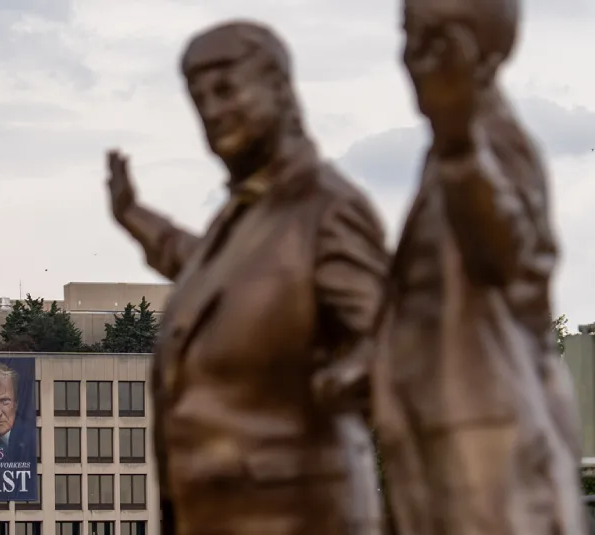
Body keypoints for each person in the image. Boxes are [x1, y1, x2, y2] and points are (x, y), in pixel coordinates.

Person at [107, 20, 388, 535]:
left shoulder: (325, 210)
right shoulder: (244, 218)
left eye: (226, 89)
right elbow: (204, 269)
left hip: (297, 515)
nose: (212, 111)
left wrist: (338, 383)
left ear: (279, 89)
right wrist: (136, 217)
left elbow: (393, 343)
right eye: (200, 98)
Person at [370, 1, 587, 534]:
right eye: (410, 37)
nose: (415, 57)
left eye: (436, 41)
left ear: (485, 51)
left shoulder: (493, 145)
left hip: (489, 443)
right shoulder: (448, 153)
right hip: (443, 439)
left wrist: (461, 148)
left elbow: (510, 258)